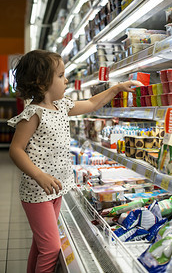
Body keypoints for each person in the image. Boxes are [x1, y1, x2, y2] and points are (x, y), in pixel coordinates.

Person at [8, 49, 143, 273]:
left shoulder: (62, 106)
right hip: (37, 191)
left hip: (56, 188)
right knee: (51, 248)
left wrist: (117, 88)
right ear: (42, 83)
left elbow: (91, 104)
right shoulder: (33, 114)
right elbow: (16, 150)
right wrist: (39, 175)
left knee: (40, 245)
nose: (66, 79)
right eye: (61, 76)